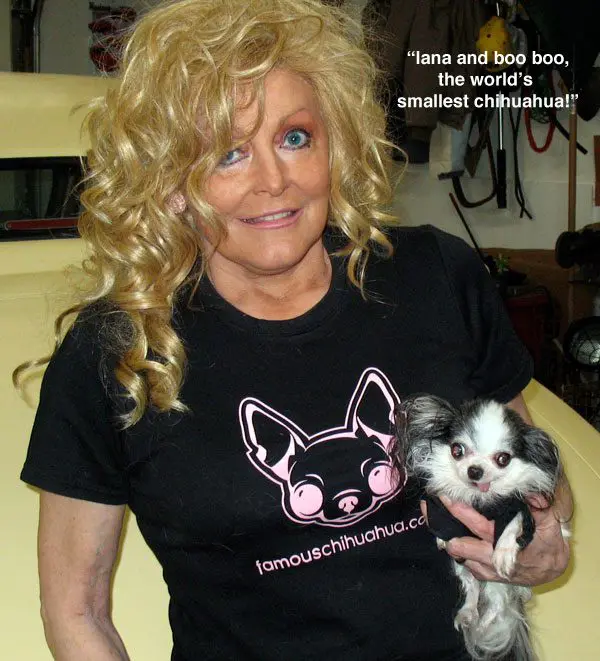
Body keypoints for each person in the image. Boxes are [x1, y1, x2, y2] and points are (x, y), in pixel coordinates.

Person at [18, 1, 571, 660]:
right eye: (228, 153)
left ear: (336, 144)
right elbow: (76, 609)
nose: (273, 181)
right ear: (171, 183)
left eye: (295, 138)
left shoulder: (435, 275)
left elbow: (539, 476)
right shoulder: (115, 352)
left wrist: (545, 536)